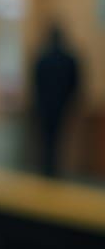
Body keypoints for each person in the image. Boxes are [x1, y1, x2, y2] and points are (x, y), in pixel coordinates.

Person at [31, 23, 82, 176]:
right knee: (59, 138)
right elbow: (75, 84)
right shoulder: (69, 59)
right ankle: (55, 169)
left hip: (45, 106)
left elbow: (36, 83)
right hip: (62, 105)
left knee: (46, 139)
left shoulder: (42, 58)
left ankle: (47, 168)